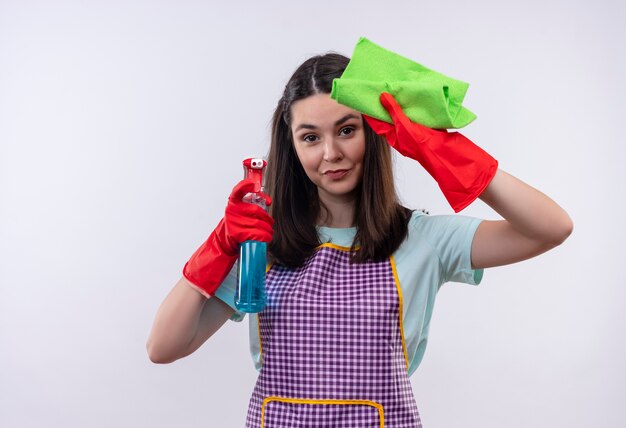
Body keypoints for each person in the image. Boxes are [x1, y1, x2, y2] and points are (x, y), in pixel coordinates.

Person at [147, 53, 573, 427]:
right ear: (292, 146)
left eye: (347, 130)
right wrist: (220, 245)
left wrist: (443, 153)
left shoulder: (423, 239)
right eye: (311, 137)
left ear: (373, 131)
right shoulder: (264, 244)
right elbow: (164, 346)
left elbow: (551, 227)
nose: (331, 153)